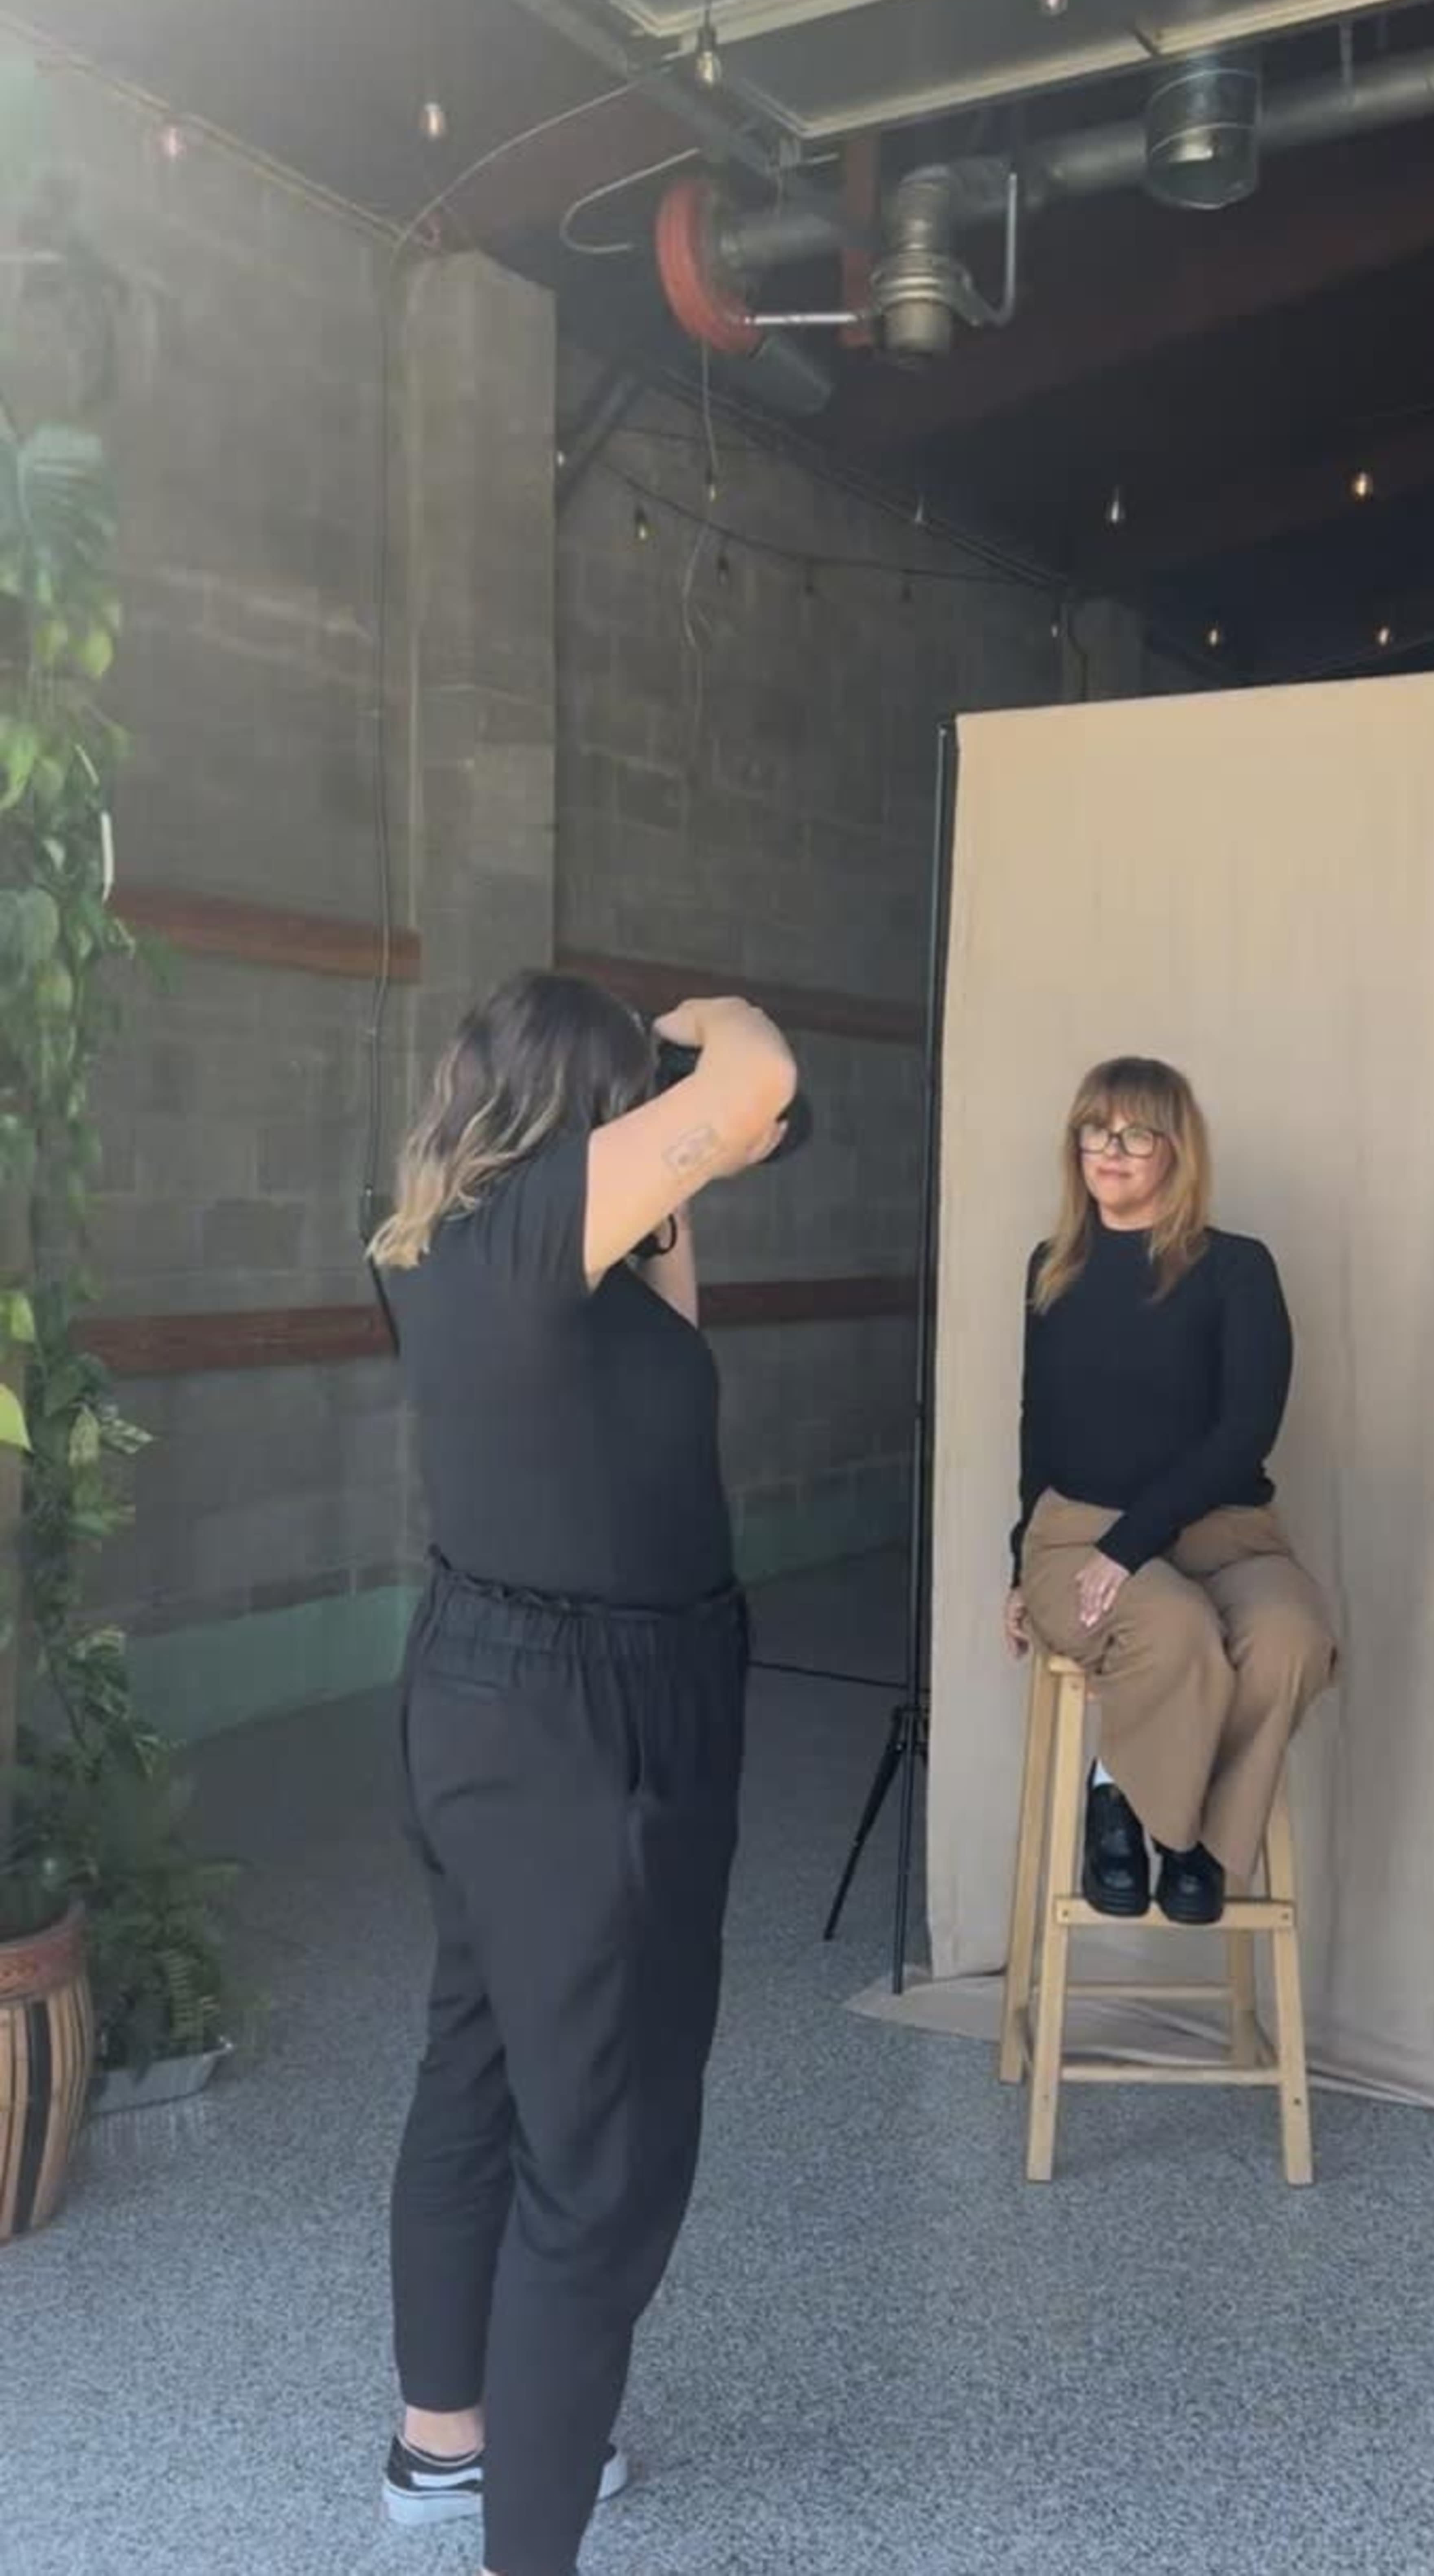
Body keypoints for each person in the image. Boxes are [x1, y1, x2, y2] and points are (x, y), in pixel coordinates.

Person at [368, 969, 796, 2576]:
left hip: (497, 1696)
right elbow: (754, 1087)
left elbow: (660, 1361)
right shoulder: (536, 1224)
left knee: (478, 2063)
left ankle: (446, 2449)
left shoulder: (451, 1242)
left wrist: (682, 1174)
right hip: (584, 1729)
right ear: (589, 1102)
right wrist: (720, 1026)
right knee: (599, 2153)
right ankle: (529, 2540)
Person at [1003, 1055, 1334, 1926]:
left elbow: (1244, 1435)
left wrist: (1135, 1541)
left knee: (1292, 1637)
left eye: (1135, 1132)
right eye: (1094, 1129)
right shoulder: (1054, 1267)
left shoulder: (1237, 1269)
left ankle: (1173, 1829)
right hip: (1078, 1533)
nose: (1109, 1150)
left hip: (1224, 1532)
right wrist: (1018, 1560)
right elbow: (1039, 1426)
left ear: (1176, 1151)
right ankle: (1149, 1818)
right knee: (1175, 1625)